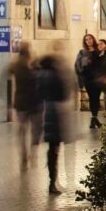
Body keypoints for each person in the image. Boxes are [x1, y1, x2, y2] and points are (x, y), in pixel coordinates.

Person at [35, 54, 69, 195]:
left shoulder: (37, 75)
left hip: (43, 112)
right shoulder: (55, 76)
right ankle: (52, 182)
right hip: (54, 114)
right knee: (54, 150)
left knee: (51, 150)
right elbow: (63, 95)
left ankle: (51, 178)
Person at [7, 44, 41, 169]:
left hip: (20, 102)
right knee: (36, 129)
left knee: (22, 130)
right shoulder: (34, 66)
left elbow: (7, 75)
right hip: (34, 102)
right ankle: (33, 152)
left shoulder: (16, 66)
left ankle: (23, 154)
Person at [76, 34, 104, 129]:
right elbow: (78, 64)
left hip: (98, 78)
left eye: (90, 39)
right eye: (86, 39)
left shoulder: (98, 51)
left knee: (96, 97)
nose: (88, 41)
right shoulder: (82, 52)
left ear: (93, 39)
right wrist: (85, 63)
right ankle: (94, 118)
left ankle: (94, 118)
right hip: (88, 78)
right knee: (92, 98)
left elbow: (103, 63)